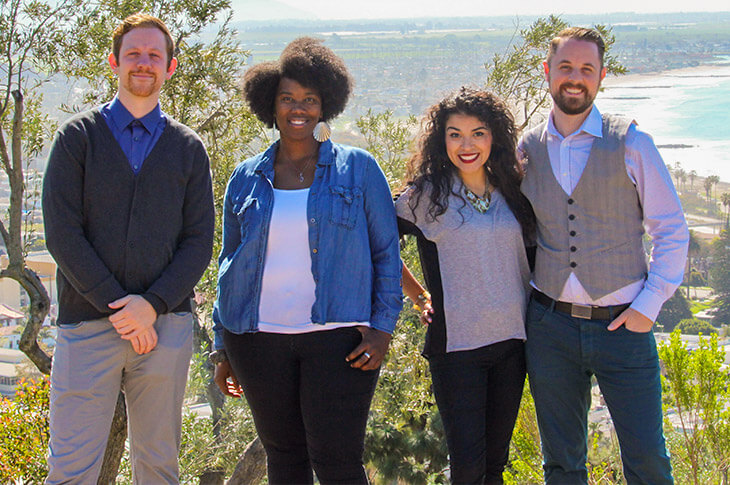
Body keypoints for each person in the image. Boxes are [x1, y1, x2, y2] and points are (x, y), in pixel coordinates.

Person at [211, 37, 402, 485]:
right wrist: (223, 347)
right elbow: (228, 265)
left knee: (338, 464)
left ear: (325, 105)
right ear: (270, 105)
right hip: (257, 341)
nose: (298, 109)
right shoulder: (245, 177)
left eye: (309, 99)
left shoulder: (359, 169)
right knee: (284, 461)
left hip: (338, 341)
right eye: (287, 99)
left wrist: (382, 328)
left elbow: (385, 253)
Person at [42, 12, 215, 483]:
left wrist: (152, 305)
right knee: (70, 469)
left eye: (154, 55)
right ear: (114, 63)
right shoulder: (77, 139)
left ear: (170, 68)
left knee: (159, 469)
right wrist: (122, 309)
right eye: (134, 54)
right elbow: (62, 233)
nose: (144, 63)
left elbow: (199, 240)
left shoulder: (188, 148)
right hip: (87, 326)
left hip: (165, 328)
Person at [519, 27, 689, 484]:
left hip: (624, 325)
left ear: (601, 76)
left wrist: (648, 307)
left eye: (587, 70)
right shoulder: (524, 150)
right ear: (548, 72)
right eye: (566, 67)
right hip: (550, 327)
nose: (576, 78)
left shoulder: (632, 143)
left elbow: (671, 230)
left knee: (649, 460)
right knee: (561, 464)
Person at [398, 87, 535, 484]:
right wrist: (416, 293)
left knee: (495, 465)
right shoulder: (426, 197)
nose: (467, 144)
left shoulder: (514, 190)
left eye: (478, 133)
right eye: (455, 134)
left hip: (514, 344)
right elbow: (379, 244)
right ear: (442, 140)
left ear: (495, 137)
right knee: (469, 468)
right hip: (457, 352)